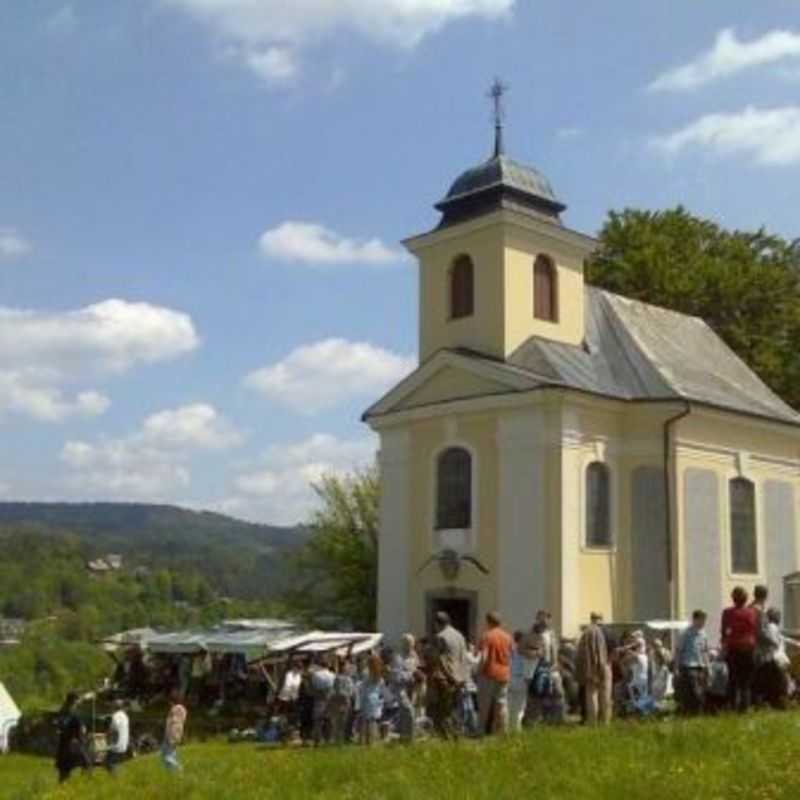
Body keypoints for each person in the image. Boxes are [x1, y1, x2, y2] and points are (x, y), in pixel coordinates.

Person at [426, 612, 467, 740]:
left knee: (442, 711)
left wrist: (450, 678)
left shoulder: (440, 637)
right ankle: (457, 735)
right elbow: (463, 657)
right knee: (455, 709)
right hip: (460, 677)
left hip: (446, 679)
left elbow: (440, 660)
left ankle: (447, 739)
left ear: (437, 623)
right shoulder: (459, 635)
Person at [721, 586, 757, 712]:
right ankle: (745, 706)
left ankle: (731, 706)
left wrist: (724, 644)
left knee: (733, 679)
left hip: (733, 648)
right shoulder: (751, 612)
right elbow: (754, 629)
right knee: (745, 682)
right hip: (748, 648)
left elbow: (724, 632)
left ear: (733, 598)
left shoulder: (727, 613)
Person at [478, 611, 512, 735]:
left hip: (489, 673)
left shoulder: (487, 636)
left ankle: (481, 730)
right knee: (502, 703)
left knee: (484, 704)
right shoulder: (507, 637)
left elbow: (484, 656)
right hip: (504, 673)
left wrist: (479, 670)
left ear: (488, 621)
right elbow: (510, 655)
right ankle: (502, 730)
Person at [575, 612, 612, 725]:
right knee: (605, 695)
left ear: (591, 619)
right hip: (606, 665)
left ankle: (592, 722)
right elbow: (616, 650)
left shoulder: (586, 632)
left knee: (592, 695)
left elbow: (581, 654)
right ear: (602, 618)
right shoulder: (609, 632)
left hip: (591, 668)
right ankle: (605, 721)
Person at [674, 611, 710, 715]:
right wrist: (676, 668)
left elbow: (705, 651)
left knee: (701, 691)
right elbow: (678, 651)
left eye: (704, 620)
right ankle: (691, 712)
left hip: (701, 666)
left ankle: (695, 713)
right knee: (694, 691)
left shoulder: (703, 634)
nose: (703, 623)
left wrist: (708, 667)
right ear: (695, 619)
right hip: (688, 665)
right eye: (701, 620)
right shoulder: (685, 633)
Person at [756, 607, 790, 709]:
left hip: (773, 659)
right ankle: (776, 703)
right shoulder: (772, 627)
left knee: (775, 683)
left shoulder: (771, 627)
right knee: (777, 683)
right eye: (778, 616)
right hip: (773, 660)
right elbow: (774, 644)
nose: (779, 618)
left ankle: (775, 703)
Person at [55, 692, 89, 783]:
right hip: (73, 745)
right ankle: (82, 784)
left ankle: (62, 789)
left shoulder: (62, 711)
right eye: (78, 700)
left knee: (64, 770)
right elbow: (80, 729)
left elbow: (58, 726)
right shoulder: (74, 714)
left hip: (63, 744)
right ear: (74, 701)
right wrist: (83, 733)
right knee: (87, 764)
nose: (79, 702)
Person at [327, 659, 355, 746]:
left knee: (344, 722)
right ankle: (337, 740)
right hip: (341, 702)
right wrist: (347, 696)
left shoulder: (349, 678)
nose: (348, 667)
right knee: (339, 722)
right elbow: (338, 691)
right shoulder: (339, 678)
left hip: (347, 701)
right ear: (342, 667)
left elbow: (351, 690)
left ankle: (341, 740)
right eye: (347, 666)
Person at [358, 654, 384, 745]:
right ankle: (371, 739)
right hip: (375, 698)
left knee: (365, 720)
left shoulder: (366, 673)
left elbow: (362, 685)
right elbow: (381, 686)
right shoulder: (379, 674)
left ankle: (363, 740)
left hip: (366, 697)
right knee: (372, 720)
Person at [309, 656, 335, 746]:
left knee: (317, 721)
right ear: (328, 665)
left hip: (319, 698)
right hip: (329, 699)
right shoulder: (332, 675)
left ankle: (317, 740)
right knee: (329, 721)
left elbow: (312, 688)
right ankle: (328, 739)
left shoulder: (315, 675)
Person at [161, 693, 187, 772]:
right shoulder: (183, 709)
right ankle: (171, 771)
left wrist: (169, 736)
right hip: (177, 734)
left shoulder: (175, 709)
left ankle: (177, 768)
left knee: (166, 755)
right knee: (171, 753)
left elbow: (172, 723)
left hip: (171, 734)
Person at [508, 631, 528, 732]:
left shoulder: (510, 649)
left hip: (509, 678)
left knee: (510, 705)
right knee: (520, 707)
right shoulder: (524, 650)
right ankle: (517, 729)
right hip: (521, 679)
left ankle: (509, 727)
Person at [105, 699, 130, 774]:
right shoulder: (125, 716)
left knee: (107, 763)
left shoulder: (115, 716)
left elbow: (113, 730)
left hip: (116, 745)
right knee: (116, 763)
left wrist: (107, 739)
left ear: (115, 707)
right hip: (124, 745)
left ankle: (116, 777)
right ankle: (120, 775)